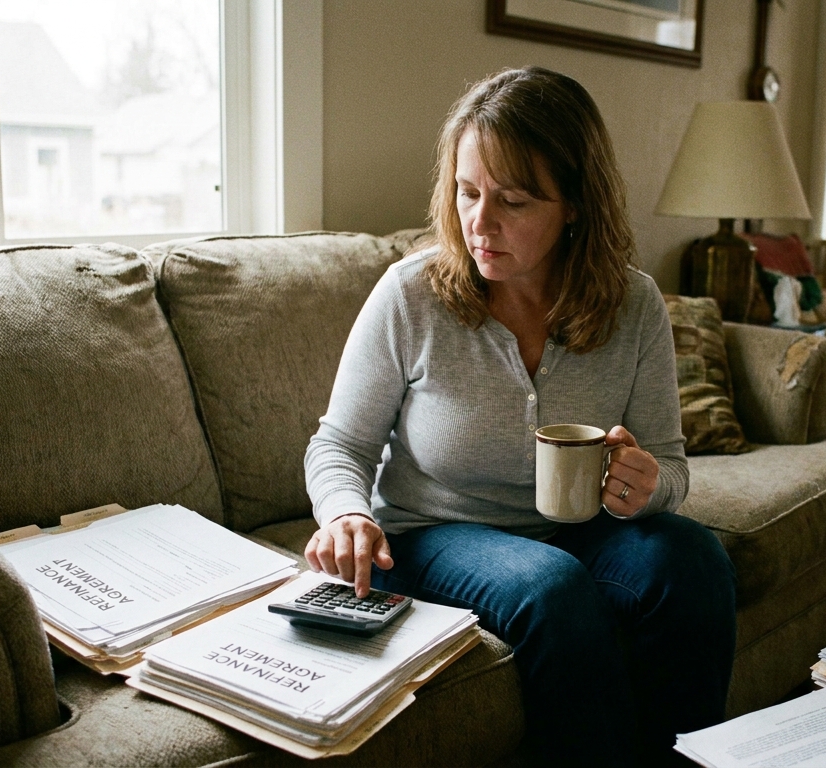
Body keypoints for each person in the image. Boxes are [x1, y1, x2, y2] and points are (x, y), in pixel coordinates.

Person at [303, 66, 735, 766]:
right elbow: (340, 444)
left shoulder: (635, 305)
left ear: (574, 206)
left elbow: (672, 469)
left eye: (513, 201)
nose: (479, 222)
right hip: (433, 534)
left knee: (694, 559)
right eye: (467, 193)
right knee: (549, 587)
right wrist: (345, 514)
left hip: (582, 531)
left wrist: (645, 486)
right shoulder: (412, 296)